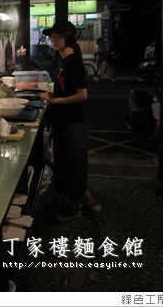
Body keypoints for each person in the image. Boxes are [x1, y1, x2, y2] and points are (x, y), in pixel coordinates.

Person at [41, 20, 100, 222]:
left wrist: (55, 100)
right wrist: (52, 93)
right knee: (69, 163)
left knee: (73, 165)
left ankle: (75, 209)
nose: (54, 40)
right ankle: (90, 202)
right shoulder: (61, 60)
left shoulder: (73, 61)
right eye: (52, 37)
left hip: (73, 122)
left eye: (59, 37)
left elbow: (82, 95)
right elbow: (62, 86)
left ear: (69, 38)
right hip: (64, 121)